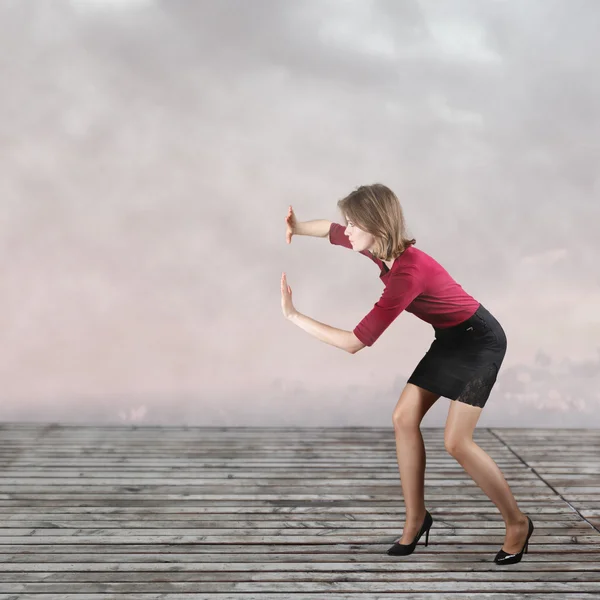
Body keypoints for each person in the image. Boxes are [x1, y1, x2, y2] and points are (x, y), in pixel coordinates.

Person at [280, 183, 534, 565]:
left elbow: (353, 343)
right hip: (451, 338)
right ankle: (417, 518)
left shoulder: (406, 275)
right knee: (403, 418)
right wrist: (298, 226)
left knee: (456, 442)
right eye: (348, 222)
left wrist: (293, 316)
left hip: (481, 342)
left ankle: (517, 523)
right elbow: (328, 230)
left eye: (353, 224)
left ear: (378, 226)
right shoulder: (379, 249)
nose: (346, 230)